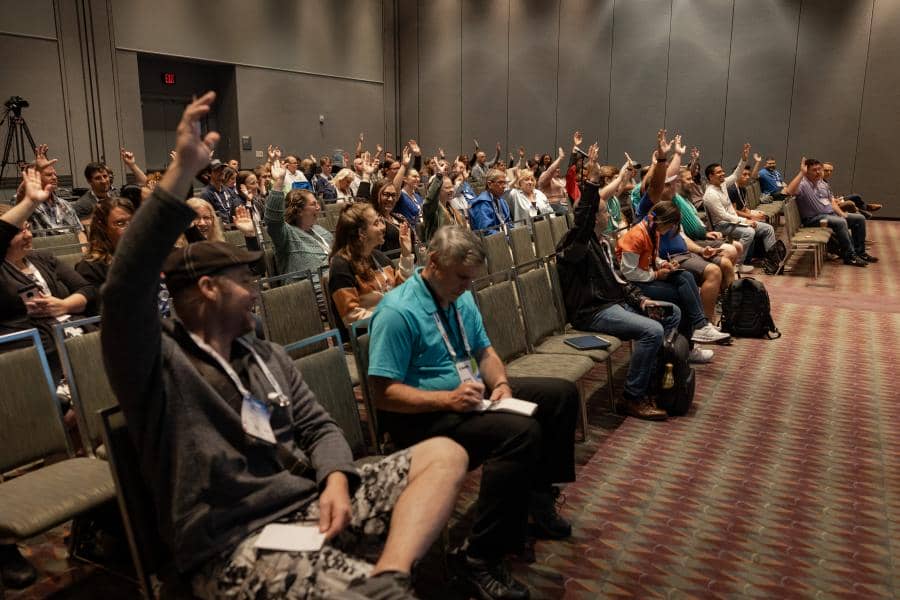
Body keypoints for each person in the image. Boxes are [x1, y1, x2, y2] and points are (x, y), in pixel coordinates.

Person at [100, 92, 468, 600]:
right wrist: (180, 172)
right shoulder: (156, 365)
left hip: (310, 503)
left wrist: (337, 477)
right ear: (208, 289)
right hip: (235, 543)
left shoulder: (265, 356)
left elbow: (319, 428)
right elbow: (124, 288)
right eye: (242, 280)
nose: (256, 291)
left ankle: (391, 573)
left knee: (444, 455)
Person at [368, 225, 579, 600]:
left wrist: (501, 385)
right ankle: (479, 556)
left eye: (471, 279)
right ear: (433, 263)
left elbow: (485, 352)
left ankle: (538, 498)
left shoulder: (460, 296)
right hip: (423, 418)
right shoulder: (397, 311)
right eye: (462, 277)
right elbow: (383, 395)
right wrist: (445, 401)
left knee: (560, 395)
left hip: (469, 397)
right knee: (520, 432)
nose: (467, 286)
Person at [556, 150, 678, 421]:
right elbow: (583, 221)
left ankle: (653, 380)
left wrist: (641, 300)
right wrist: (591, 183)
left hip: (614, 303)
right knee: (652, 330)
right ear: (592, 218)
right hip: (592, 311)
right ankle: (633, 397)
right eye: (602, 212)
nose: (608, 216)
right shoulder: (574, 244)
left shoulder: (602, 244)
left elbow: (619, 280)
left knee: (671, 313)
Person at [617, 200, 730, 353]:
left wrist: (663, 264)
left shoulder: (652, 230)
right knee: (683, 296)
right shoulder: (636, 236)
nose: (672, 229)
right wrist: (656, 274)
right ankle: (689, 347)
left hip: (646, 276)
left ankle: (701, 327)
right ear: (664, 221)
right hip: (635, 284)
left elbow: (652, 257)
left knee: (686, 276)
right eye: (671, 226)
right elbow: (629, 272)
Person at [328, 202, 413, 338]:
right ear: (362, 233)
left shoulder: (377, 256)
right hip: (368, 338)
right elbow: (351, 317)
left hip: (392, 328)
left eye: (381, 221)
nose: (383, 227)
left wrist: (406, 254)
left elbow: (402, 288)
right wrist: (392, 316)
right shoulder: (341, 266)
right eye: (376, 223)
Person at [783, 158, 876, 266]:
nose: (818, 172)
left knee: (859, 219)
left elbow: (832, 201)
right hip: (814, 219)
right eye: (814, 170)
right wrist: (801, 173)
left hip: (830, 215)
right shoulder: (803, 184)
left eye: (819, 169)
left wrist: (841, 213)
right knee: (840, 222)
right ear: (807, 171)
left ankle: (860, 252)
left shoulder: (822, 184)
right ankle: (850, 256)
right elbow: (789, 191)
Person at [703, 144, 779, 272]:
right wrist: (746, 221)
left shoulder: (722, 184)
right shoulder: (710, 194)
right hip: (721, 224)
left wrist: (743, 159)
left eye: (722, 171)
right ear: (711, 176)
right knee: (749, 232)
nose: (723, 174)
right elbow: (723, 216)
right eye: (719, 172)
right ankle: (736, 264)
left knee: (768, 228)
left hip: (733, 220)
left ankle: (773, 262)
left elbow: (735, 175)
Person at [265, 158, 334, 276]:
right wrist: (279, 182)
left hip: (334, 284)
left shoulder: (321, 231)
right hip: (309, 289)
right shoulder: (287, 235)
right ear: (299, 210)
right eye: (313, 204)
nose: (318, 208)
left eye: (317, 204)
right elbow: (273, 221)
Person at [75, 196, 135, 305]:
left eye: (132, 221)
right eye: (120, 223)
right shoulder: (90, 268)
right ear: (103, 228)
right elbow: (101, 312)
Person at [422, 168, 467, 244]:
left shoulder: (451, 208)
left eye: (451, 186)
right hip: (440, 250)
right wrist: (438, 177)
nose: (452, 190)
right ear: (437, 191)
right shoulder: (432, 210)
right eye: (447, 188)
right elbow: (429, 200)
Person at [468, 169, 512, 233]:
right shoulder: (481, 204)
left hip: (504, 238)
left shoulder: (502, 201)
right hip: (490, 241)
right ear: (489, 184)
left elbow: (509, 224)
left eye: (504, 183)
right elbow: (486, 232)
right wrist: (506, 238)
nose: (504, 186)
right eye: (500, 182)